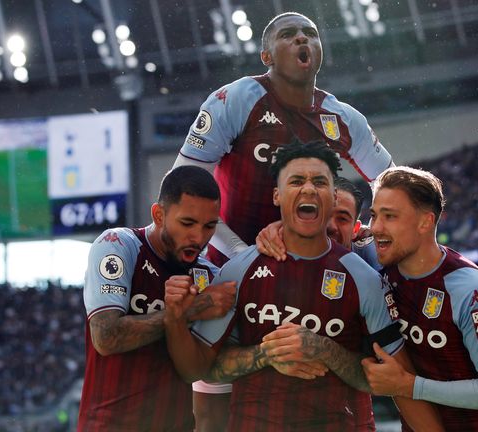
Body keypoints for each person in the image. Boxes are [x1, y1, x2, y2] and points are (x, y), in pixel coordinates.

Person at [175, 11, 393, 426]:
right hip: (234, 270)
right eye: (288, 35)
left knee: (338, 390)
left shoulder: (344, 118)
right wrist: (244, 252)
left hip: (316, 269)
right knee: (211, 414)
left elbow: (391, 185)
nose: (301, 40)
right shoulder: (235, 100)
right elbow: (182, 185)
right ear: (265, 55)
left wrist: (363, 233)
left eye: (310, 33)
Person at [164, 141, 442, 431]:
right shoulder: (238, 270)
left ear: (334, 197)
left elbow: (395, 378)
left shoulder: (364, 277)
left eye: (319, 182)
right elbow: (197, 369)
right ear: (277, 195)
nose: (308, 189)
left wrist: (325, 350)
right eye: (296, 181)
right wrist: (265, 354)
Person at [360, 166, 478, 431]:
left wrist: (408, 386)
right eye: (374, 215)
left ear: (425, 222)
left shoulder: (472, 290)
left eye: (390, 216)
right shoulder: (376, 262)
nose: (375, 228)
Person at [77, 166, 237, 431]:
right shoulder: (118, 245)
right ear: (159, 214)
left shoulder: (210, 278)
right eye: (187, 223)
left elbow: (194, 371)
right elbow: (106, 337)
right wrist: (191, 310)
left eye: (209, 226)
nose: (198, 237)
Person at [256, 176, 381, 270]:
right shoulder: (277, 245)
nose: (330, 226)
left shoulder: (374, 257)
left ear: (355, 229)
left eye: (342, 218)